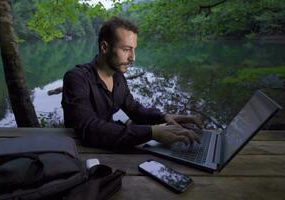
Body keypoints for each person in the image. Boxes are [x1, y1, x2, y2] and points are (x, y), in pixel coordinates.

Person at [62, 17, 202, 148]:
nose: (133, 58)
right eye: (126, 49)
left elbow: (134, 109)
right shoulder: (76, 78)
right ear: (104, 48)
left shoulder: (118, 77)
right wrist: (153, 132)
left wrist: (163, 117)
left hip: (109, 147)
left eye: (134, 50)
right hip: (79, 152)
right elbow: (89, 129)